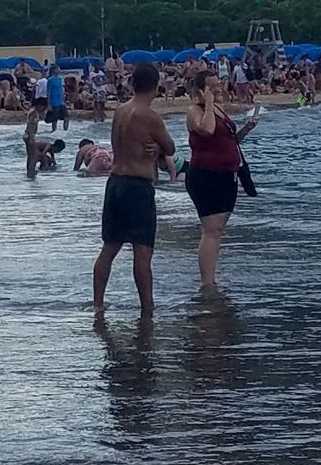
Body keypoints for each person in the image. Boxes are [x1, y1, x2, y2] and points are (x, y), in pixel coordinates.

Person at [92, 62, 175, 315]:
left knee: (110, 247)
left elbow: (123, 143)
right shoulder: (149, 116)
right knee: (142, 251)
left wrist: (154, 147)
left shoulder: (121, 110)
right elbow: (170, 147)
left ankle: (97, 304)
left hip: (115, 182)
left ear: (132, 83)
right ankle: (147, 308)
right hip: (137, 185)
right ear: (156, 86)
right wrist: (159, 148)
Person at [185, 69, 257, 291]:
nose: (218, 88)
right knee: (211, 229)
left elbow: (229, 141)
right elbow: (207, 130)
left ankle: (211, 277)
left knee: (218, 229)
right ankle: (207, 283)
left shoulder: (217, 108)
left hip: (227, 174)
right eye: (212, 86)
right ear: (200, 90)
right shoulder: (194, 111)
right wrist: (207, 102)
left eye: (218, 84)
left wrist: (246, 129)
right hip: (206, 174)